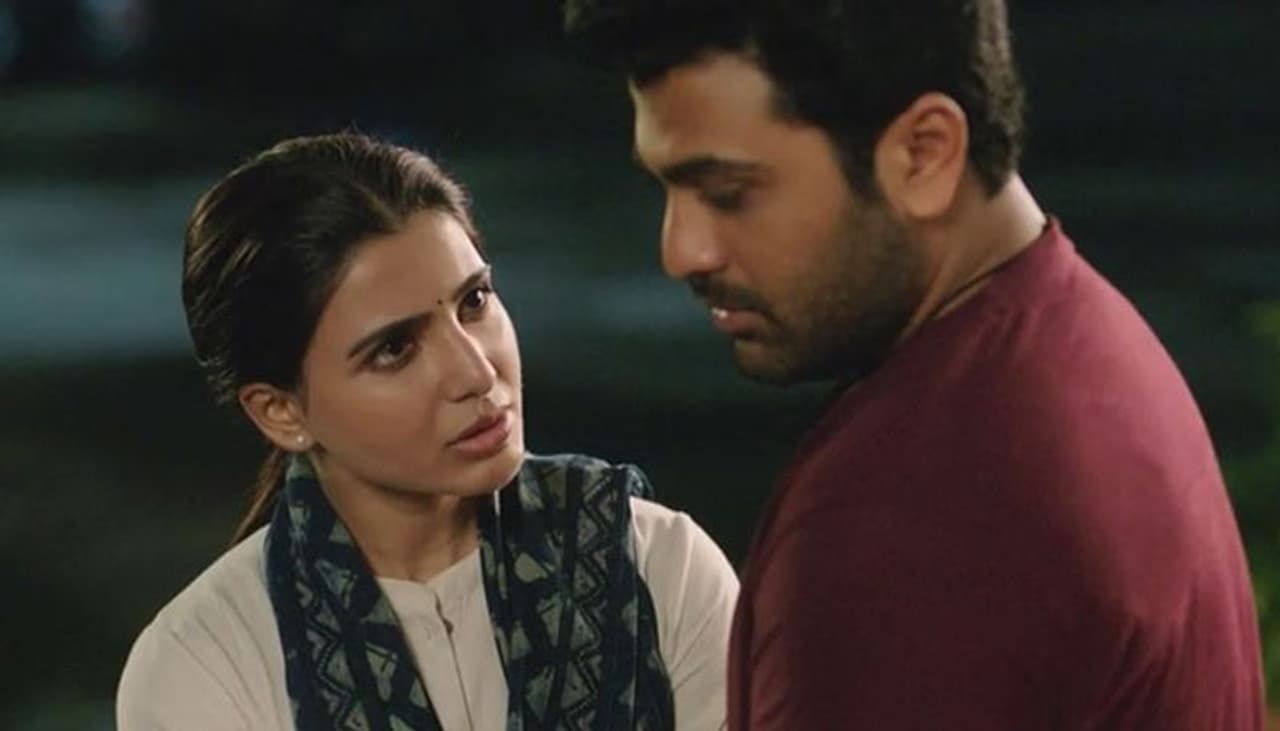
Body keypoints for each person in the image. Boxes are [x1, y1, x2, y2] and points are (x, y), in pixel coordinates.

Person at [562, 1, 1266, 728]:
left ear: (924, 153)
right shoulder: (1087, 344)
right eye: (665, 188)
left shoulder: (911, 516)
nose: (681, 251)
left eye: (728, 194)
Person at [116, 132, 738, 731]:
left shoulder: (659, 567)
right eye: (394, 348)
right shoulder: (206, 665)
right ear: (282, 412)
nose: (476, 372)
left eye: (475, 302)